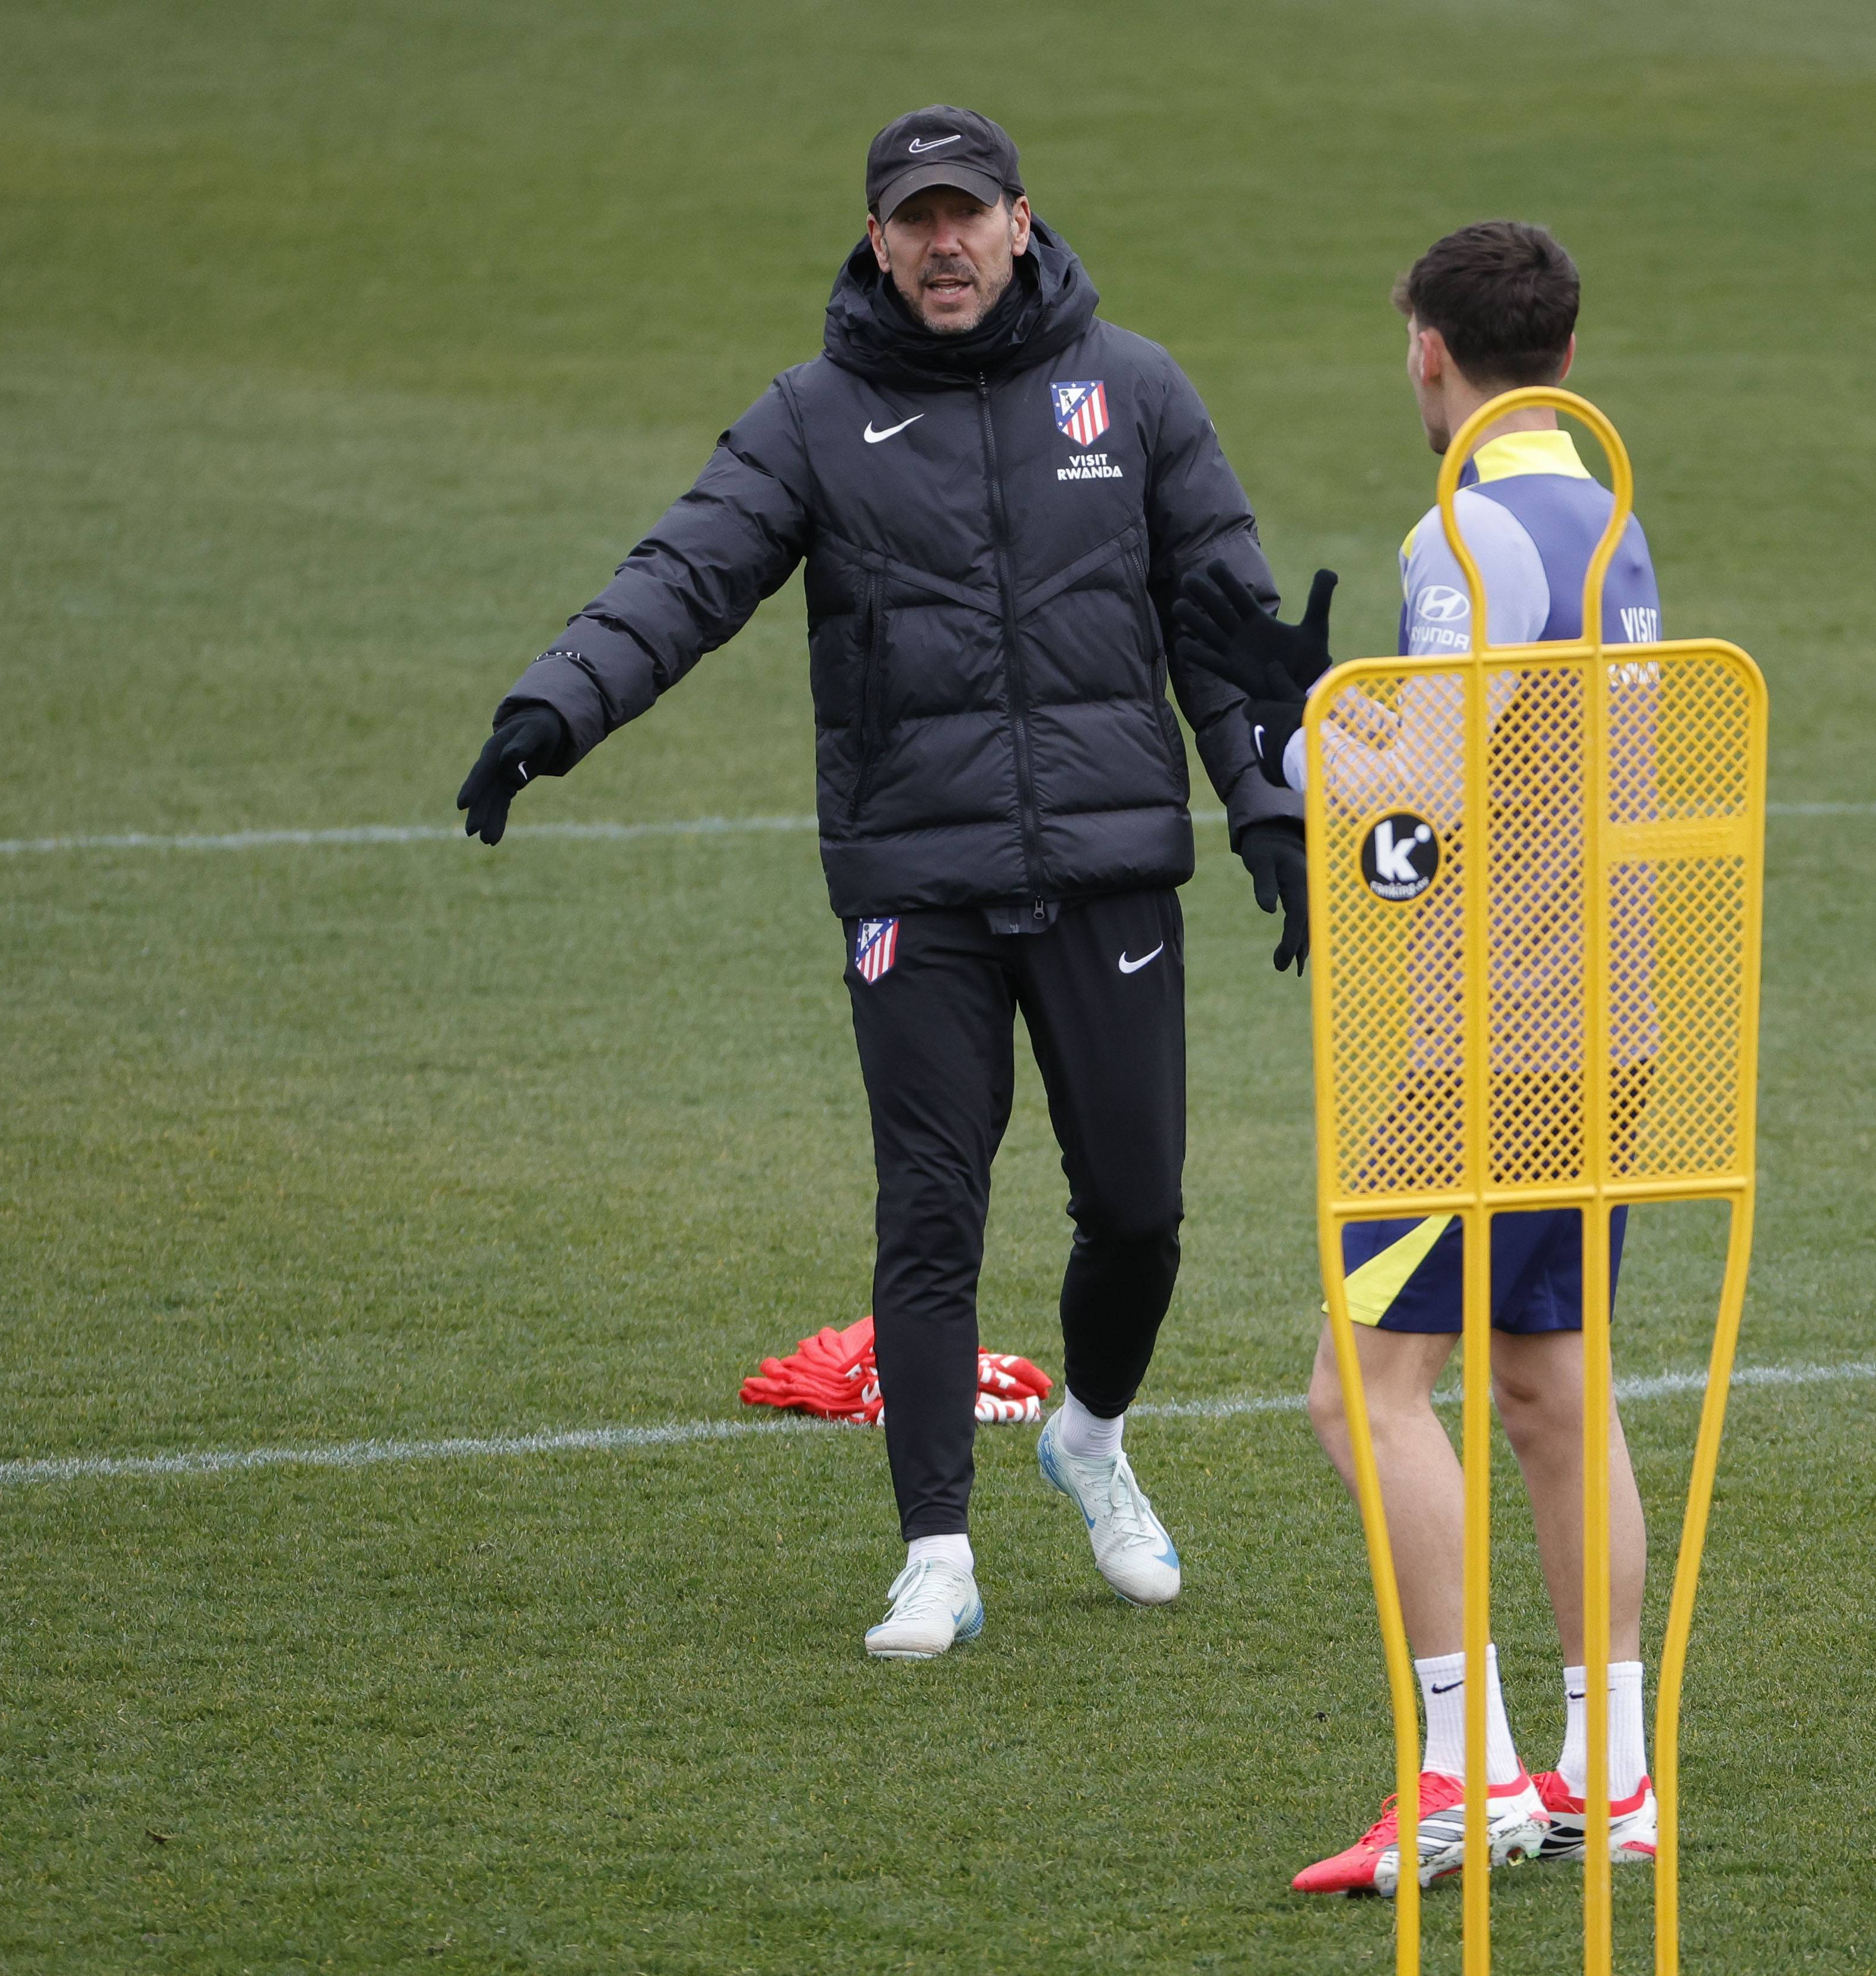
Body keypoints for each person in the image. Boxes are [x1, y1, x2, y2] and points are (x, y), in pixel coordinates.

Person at [453, 106, 1313, 1661]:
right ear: (877, 241)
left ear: (1020, 223)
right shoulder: (814, 416)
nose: (942, 243)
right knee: (930, 1209)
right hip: (916, 879)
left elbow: (1227, 611)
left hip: (1110, 867)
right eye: (913, 220)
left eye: (966, 214)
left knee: (1139, 1212)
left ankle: (1090, 1438)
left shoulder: (1135, 391)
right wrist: (556, 706)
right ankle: (936, 1555)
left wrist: (1271, 802)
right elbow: (685, 572)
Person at [1172, 221, 1665, 1895]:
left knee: (1362, 1392)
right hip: (1615, 1023)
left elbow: (1416, 815)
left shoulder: (1463, 530)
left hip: (1492, 1037)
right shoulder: (1612, 516)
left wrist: (1298, 730)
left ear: (1430, 353)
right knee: (1551, 1386)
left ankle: (1466, 1776)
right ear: (1566, 358)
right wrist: (1359, 702)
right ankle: (1611, 1775)